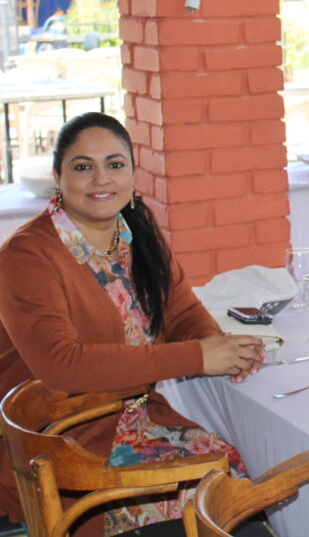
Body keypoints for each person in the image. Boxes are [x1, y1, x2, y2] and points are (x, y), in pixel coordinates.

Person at [0, 112, 265, 536]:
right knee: (219, 502)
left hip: (137, 421)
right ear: (58, 176)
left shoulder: (136, 229)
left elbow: (179, 311)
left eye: (115, 164)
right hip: (67, 448)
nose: (101, 179)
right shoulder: (26, 257)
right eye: (83, 166)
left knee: (238, 490)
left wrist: (220, 347)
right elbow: (61, 365)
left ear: (133, 173)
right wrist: (197, 356)